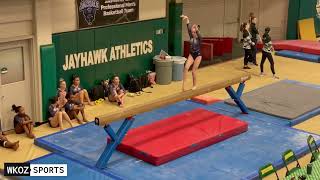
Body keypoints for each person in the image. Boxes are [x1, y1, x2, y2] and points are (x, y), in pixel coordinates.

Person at [181, 15, 202, 91]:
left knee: (193, 71)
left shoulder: (199, 38)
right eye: (192, 32)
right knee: (186, 68)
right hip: (192, 54)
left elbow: (199, 34)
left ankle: (194, 85)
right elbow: (188, 27)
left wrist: (196, 30)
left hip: (198, 56)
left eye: (194, 32)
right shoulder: (191, 36)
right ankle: (184, 85)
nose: (192, 33)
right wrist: (187, 19)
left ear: (196, 32)